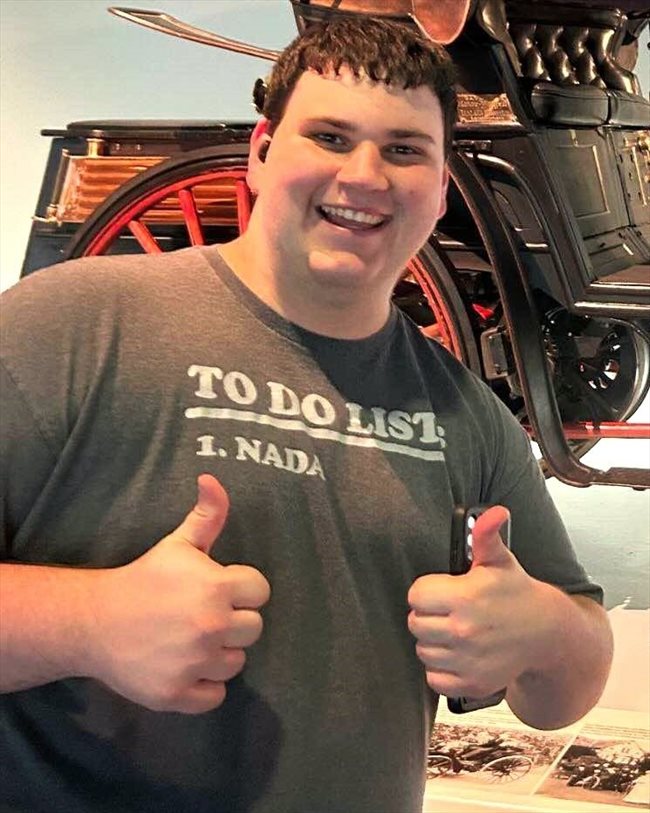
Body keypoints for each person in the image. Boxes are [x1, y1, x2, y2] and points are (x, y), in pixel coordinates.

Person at [0, 15, 613, 813]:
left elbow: (577, 663)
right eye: (329, 137)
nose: (365, 175)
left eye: (404, 150)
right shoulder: (70, 326)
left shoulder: (467, 415)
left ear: (440, 190)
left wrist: (541, 629)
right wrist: (89, 622)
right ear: (260, 152)